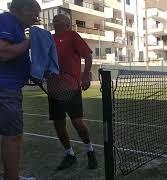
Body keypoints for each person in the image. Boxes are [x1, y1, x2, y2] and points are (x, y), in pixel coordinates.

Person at [50, 14, 97, 170]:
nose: (55, 20)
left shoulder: (73, 35)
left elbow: (88, 56)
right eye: (54, 19)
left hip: (72, 87)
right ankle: (69, 154)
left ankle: (90, 151)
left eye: (59, 19)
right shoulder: (49, 38)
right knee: (59, 124)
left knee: (77, 122)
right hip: (54, 88)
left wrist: (86, 75)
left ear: (67, 23)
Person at [0, 0, 41, 179]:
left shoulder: (13, 24)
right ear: (23, 9)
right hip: (5, 89)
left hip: (8, 88)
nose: (36, 18)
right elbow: (3, 53)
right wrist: (29, 43)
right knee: (13, 136)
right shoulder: (7, 20)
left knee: (10, 135)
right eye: (34, 13)